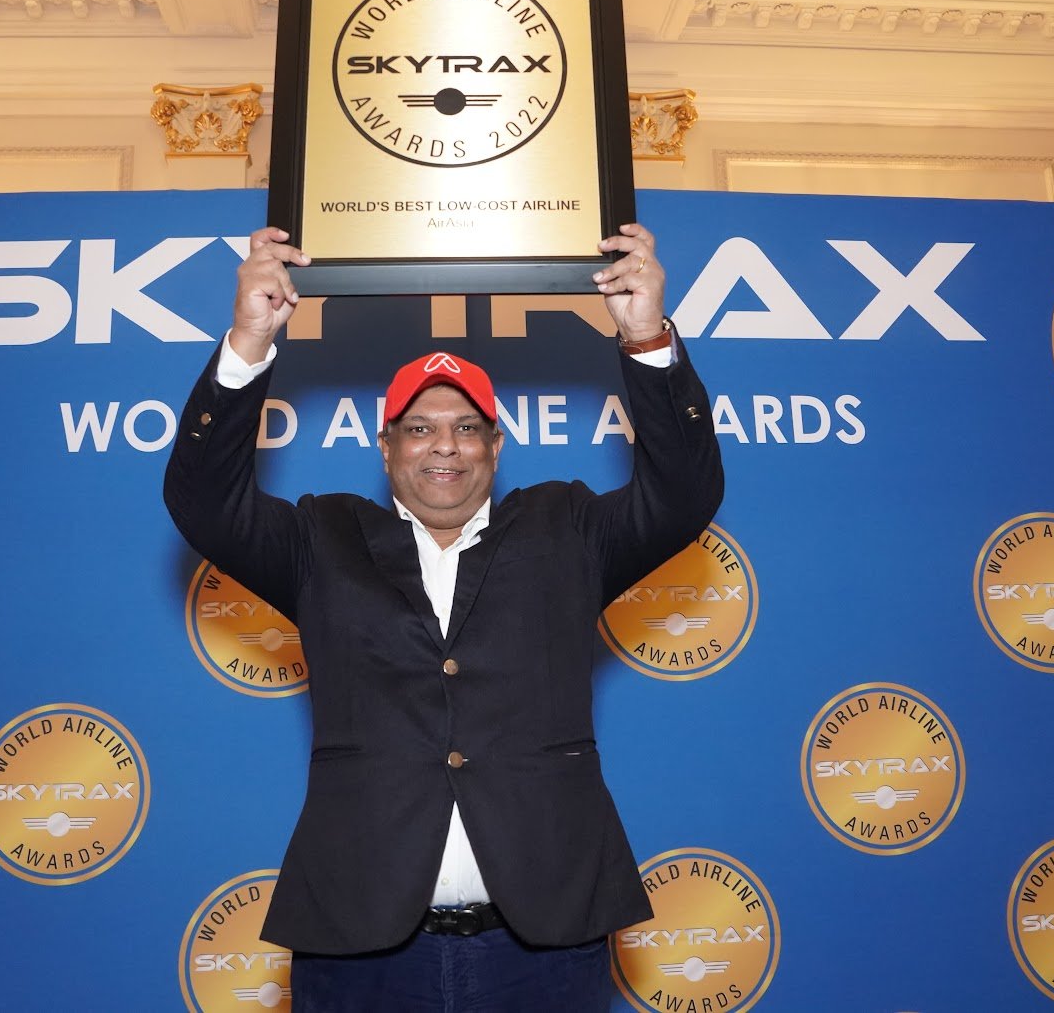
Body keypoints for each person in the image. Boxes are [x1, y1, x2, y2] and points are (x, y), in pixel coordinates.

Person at [164, 222, 724, 1012]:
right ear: (386, 446)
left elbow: (684, 495)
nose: (445, 448)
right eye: (420, 428)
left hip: (544, 947)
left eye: (466, 428)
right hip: (361, 948)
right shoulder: (323, 537)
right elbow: (203, 502)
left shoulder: (567, 529)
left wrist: (645, 339)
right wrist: (249, 343)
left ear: (496, 447)